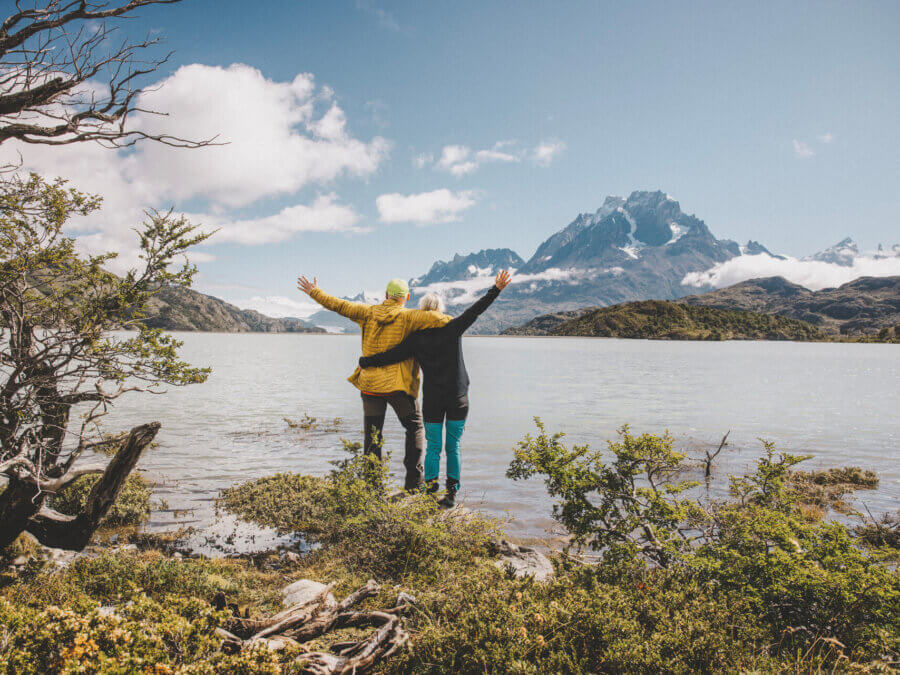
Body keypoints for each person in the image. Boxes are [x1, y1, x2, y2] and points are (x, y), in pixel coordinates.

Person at [358, 270, 512, 507]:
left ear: (421, 311)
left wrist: (366, 362)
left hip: (432, 399)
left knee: (433, 447)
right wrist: (496, 289)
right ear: (440, 310)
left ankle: (429, 492)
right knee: (453, 446)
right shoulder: (453, 326)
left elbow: (390, 356)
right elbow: (476, 309)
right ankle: (450, 495)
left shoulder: (416, 338)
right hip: (458, 396)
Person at [297, 275, 449, 491]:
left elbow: (338, 305)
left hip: (370, 386)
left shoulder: (367, 313)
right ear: (406, 297)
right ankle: (414, 484)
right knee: (414, 427)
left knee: (373, 434)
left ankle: (372, 488)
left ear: (386, 296)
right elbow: (443, 321)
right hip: (398, 387)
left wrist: (315, 292)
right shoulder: (410, 317)